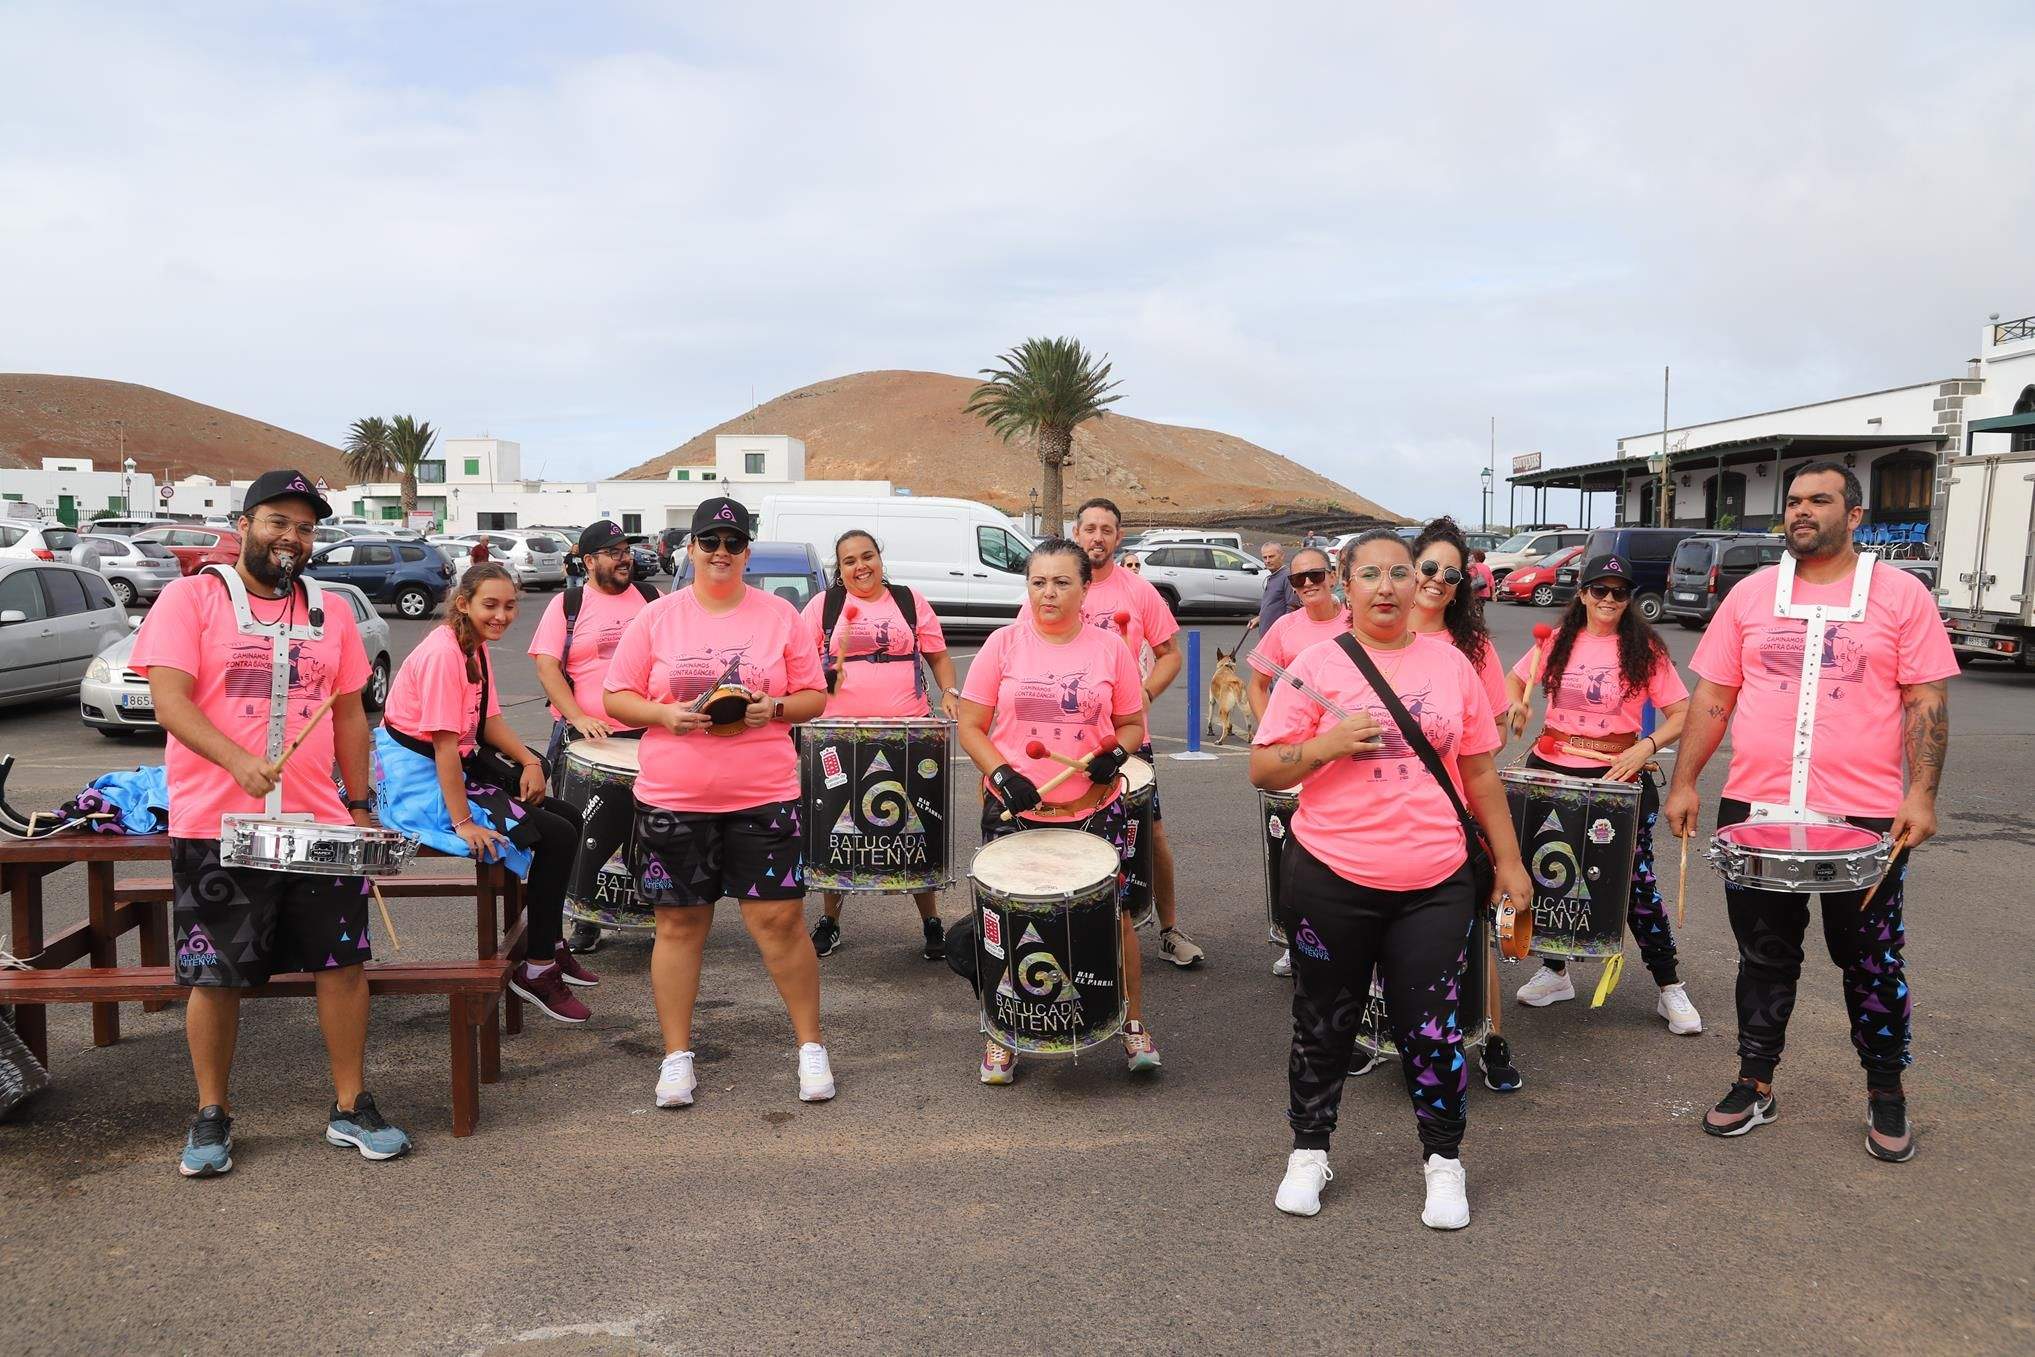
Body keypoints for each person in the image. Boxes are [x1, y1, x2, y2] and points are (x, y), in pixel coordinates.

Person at [1664, 463, 1956, 1162]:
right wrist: (1684, 782)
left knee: (1870, 960)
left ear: (1853, 515)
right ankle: (1753, 1080)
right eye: (1793, 501)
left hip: (1863, 818)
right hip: (1756, 808)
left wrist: (1920, 794)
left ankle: (1885, 1090)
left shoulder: (1900, 595)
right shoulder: (1750, 594)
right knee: (1762, 955)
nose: (1801, 511)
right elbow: (1711, 698)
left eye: (1818, 500)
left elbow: (1925, 699)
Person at [131, 469, 410, 1175]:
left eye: (305, 526)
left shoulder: (331, 613)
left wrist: (361, 802)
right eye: (278, 520)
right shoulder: (191, 599)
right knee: (215, 974)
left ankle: (350, 1105)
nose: (291, 536)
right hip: (215, 819)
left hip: (317, 820)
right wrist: (238, 760)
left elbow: (350, 713)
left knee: (341, 965)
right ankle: (211, 1114)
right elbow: (171, 701)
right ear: (246, 522)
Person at [1251, 530, 1531, 1228]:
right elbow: (1264, 768)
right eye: (1368, 573)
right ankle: (1308, 1148)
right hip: (1330, 876)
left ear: (1419, 585)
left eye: (1399, 573)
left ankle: (1443, 1162)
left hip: (1434, 882)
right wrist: (1322, 745)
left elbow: (1478, 775)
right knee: (1323, 1022)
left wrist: (1510, 862)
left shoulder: (1450, 665)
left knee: (1430, 1030)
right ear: (1344, 584)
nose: (1384, 587)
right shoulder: (1315, 664)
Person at [601, 496, 835, 1108]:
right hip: (675, 795)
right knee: (679, 925)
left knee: (780, 922)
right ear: (692, 550)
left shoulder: (780, 616)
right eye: (710, 542)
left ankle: (811, 1047)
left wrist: (773, 708)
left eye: (733, 542)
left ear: (747, 552)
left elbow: (814, 696)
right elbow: (615, 697)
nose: (722, 552)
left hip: (764, 792)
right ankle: (676, 1057)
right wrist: (663, 715)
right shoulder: (656, 618)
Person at [958, 538, 1156, 1084]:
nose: (1049, 593)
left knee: (1114, 922)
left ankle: (1133, 1021)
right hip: (1016, 811)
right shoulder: (1002, 645)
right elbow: (971, 726)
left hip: (1093, 810)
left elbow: (1133, 726)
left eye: (1062, 582)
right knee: (1004, 924)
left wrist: (1115, 753)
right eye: (1038, 581)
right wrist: (1002, 773)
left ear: (1084, 587)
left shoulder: (1109, 648)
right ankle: (1001, 1032)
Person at [375, 562, 596, 1025]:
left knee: (569, 820)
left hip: (457, 760)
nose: (502, 615)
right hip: (423, 780)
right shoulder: (443, 655)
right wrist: (463, 822)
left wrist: (532, 763)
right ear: (463, 604)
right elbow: (443, 747)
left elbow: (488, 723)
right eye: (490, 605)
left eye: (510, 605)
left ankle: (550, 943)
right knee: (553, 835)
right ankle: (536, 967)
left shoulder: (474, 647)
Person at [1502, 551, 1699, 1035]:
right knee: (1551, 873)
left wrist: (1644, 747)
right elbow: (1515, 680)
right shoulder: (1558, 641)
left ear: (1628, 598)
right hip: (1551, 767)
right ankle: (1555, 971)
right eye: (1599, 590)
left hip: (1616, 775)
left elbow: (1681, 712)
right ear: (1583, 594)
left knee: (1633, 881)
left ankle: (1668, 984)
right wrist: (1515, 706)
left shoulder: (1644, 647)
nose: (1609, 599)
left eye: (1619, 592)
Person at [1046, 498, 1204, 968]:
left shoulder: (1138, 592)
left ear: (1119, 538)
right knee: (1063, 832)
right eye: (1089, 528)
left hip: (1128, 738)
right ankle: (1068, 932)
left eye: (1107, 530)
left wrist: (1146, 694)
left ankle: (1170, 929)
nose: (1097, 537)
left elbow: (1170, 652)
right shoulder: (1056, 588)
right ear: (1076, 533)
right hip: (1065, 743)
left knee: (1151, 834)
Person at [801, 528, 961, 960]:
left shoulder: (908, 601)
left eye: (867, 556)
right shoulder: (825, 606)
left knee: (916, 826)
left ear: (880, 558)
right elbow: (799, 663)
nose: (860, 566)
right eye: (849, 560)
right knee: (837, 828)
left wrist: (948, 692)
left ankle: (930, 920)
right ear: (840, 569)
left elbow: (939, 656)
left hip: (908, 733)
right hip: (838, 734)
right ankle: (830, 920)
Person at [1408, 516, 1523, 1092]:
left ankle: (1492, 1034)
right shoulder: (1369, 632)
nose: (1438, 580)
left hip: (1453, 809)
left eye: (1451, 574)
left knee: (1473, 926)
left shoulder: (1472, 651)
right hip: (1385, 812)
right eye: (1429, 566)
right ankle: (1385, 1035)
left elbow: (1493, 731)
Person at [529, 520, 660, 953]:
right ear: (588, 561)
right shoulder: (568, 604)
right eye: (612, 551)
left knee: (651, 830)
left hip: (647, 734)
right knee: (585, 831)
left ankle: (654, 910)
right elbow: (548, 666)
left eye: (625, 549)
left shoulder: (651, 598)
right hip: (587, 740)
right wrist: (579, 715)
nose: (624, 557)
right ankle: (585, 918)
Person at [1244, 544, 1346, 980]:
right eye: (1297, 579)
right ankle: (1296, 940)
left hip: (1345, 761)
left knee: (1342, 859)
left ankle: (1347, 943)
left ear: (1334, 575)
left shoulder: (1356, 621)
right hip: (1299, 761)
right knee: (1294, 858)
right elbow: (1257, 683)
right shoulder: (1285, 628)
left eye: (1315, 576)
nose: (1307, 585)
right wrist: (1274, 733)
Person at [1252, 541, 1297, 641]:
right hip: (1267, 637)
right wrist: (1259, 618)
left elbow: (1292, 607)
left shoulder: (1287, 577)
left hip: (1278, 638)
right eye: (1265, 557)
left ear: (1281, 556)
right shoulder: (1273, 576)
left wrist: (1281, 632)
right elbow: (1273, 605)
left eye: (1271, 557)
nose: (1267, 561)